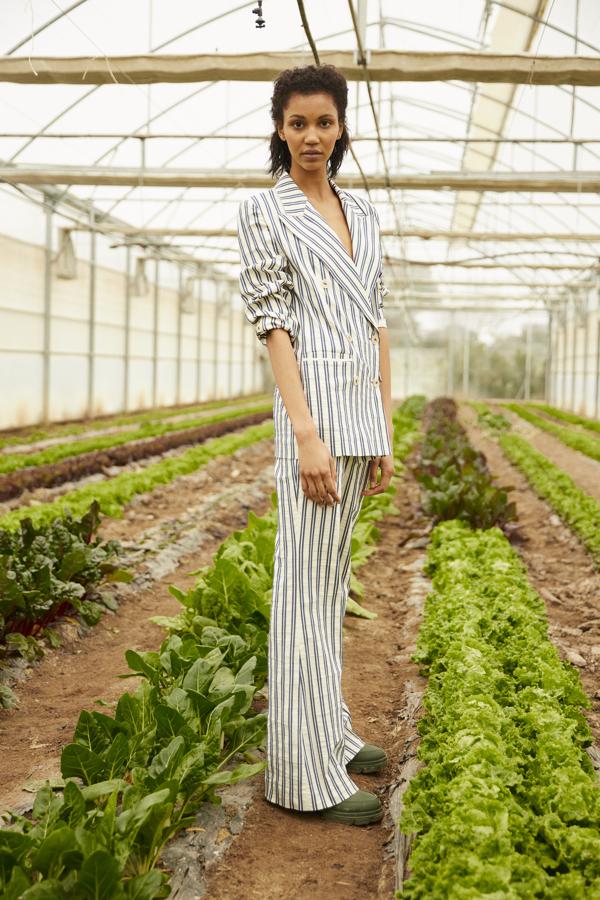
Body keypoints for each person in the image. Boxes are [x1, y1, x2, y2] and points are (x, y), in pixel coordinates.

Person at [237, 63, 394, 826]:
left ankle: (329, 732)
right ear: (280, 128)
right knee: (301, 594)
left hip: (360, 417)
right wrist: (304, 433)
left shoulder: (362, 211)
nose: (311, 136)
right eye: (297, 123)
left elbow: (378, 319)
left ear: (341, 127)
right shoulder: (263, 211)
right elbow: (273, 323)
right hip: (315, 420)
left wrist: (384, 428)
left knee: (330, 589)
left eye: (323, 122)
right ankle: (302, 777)